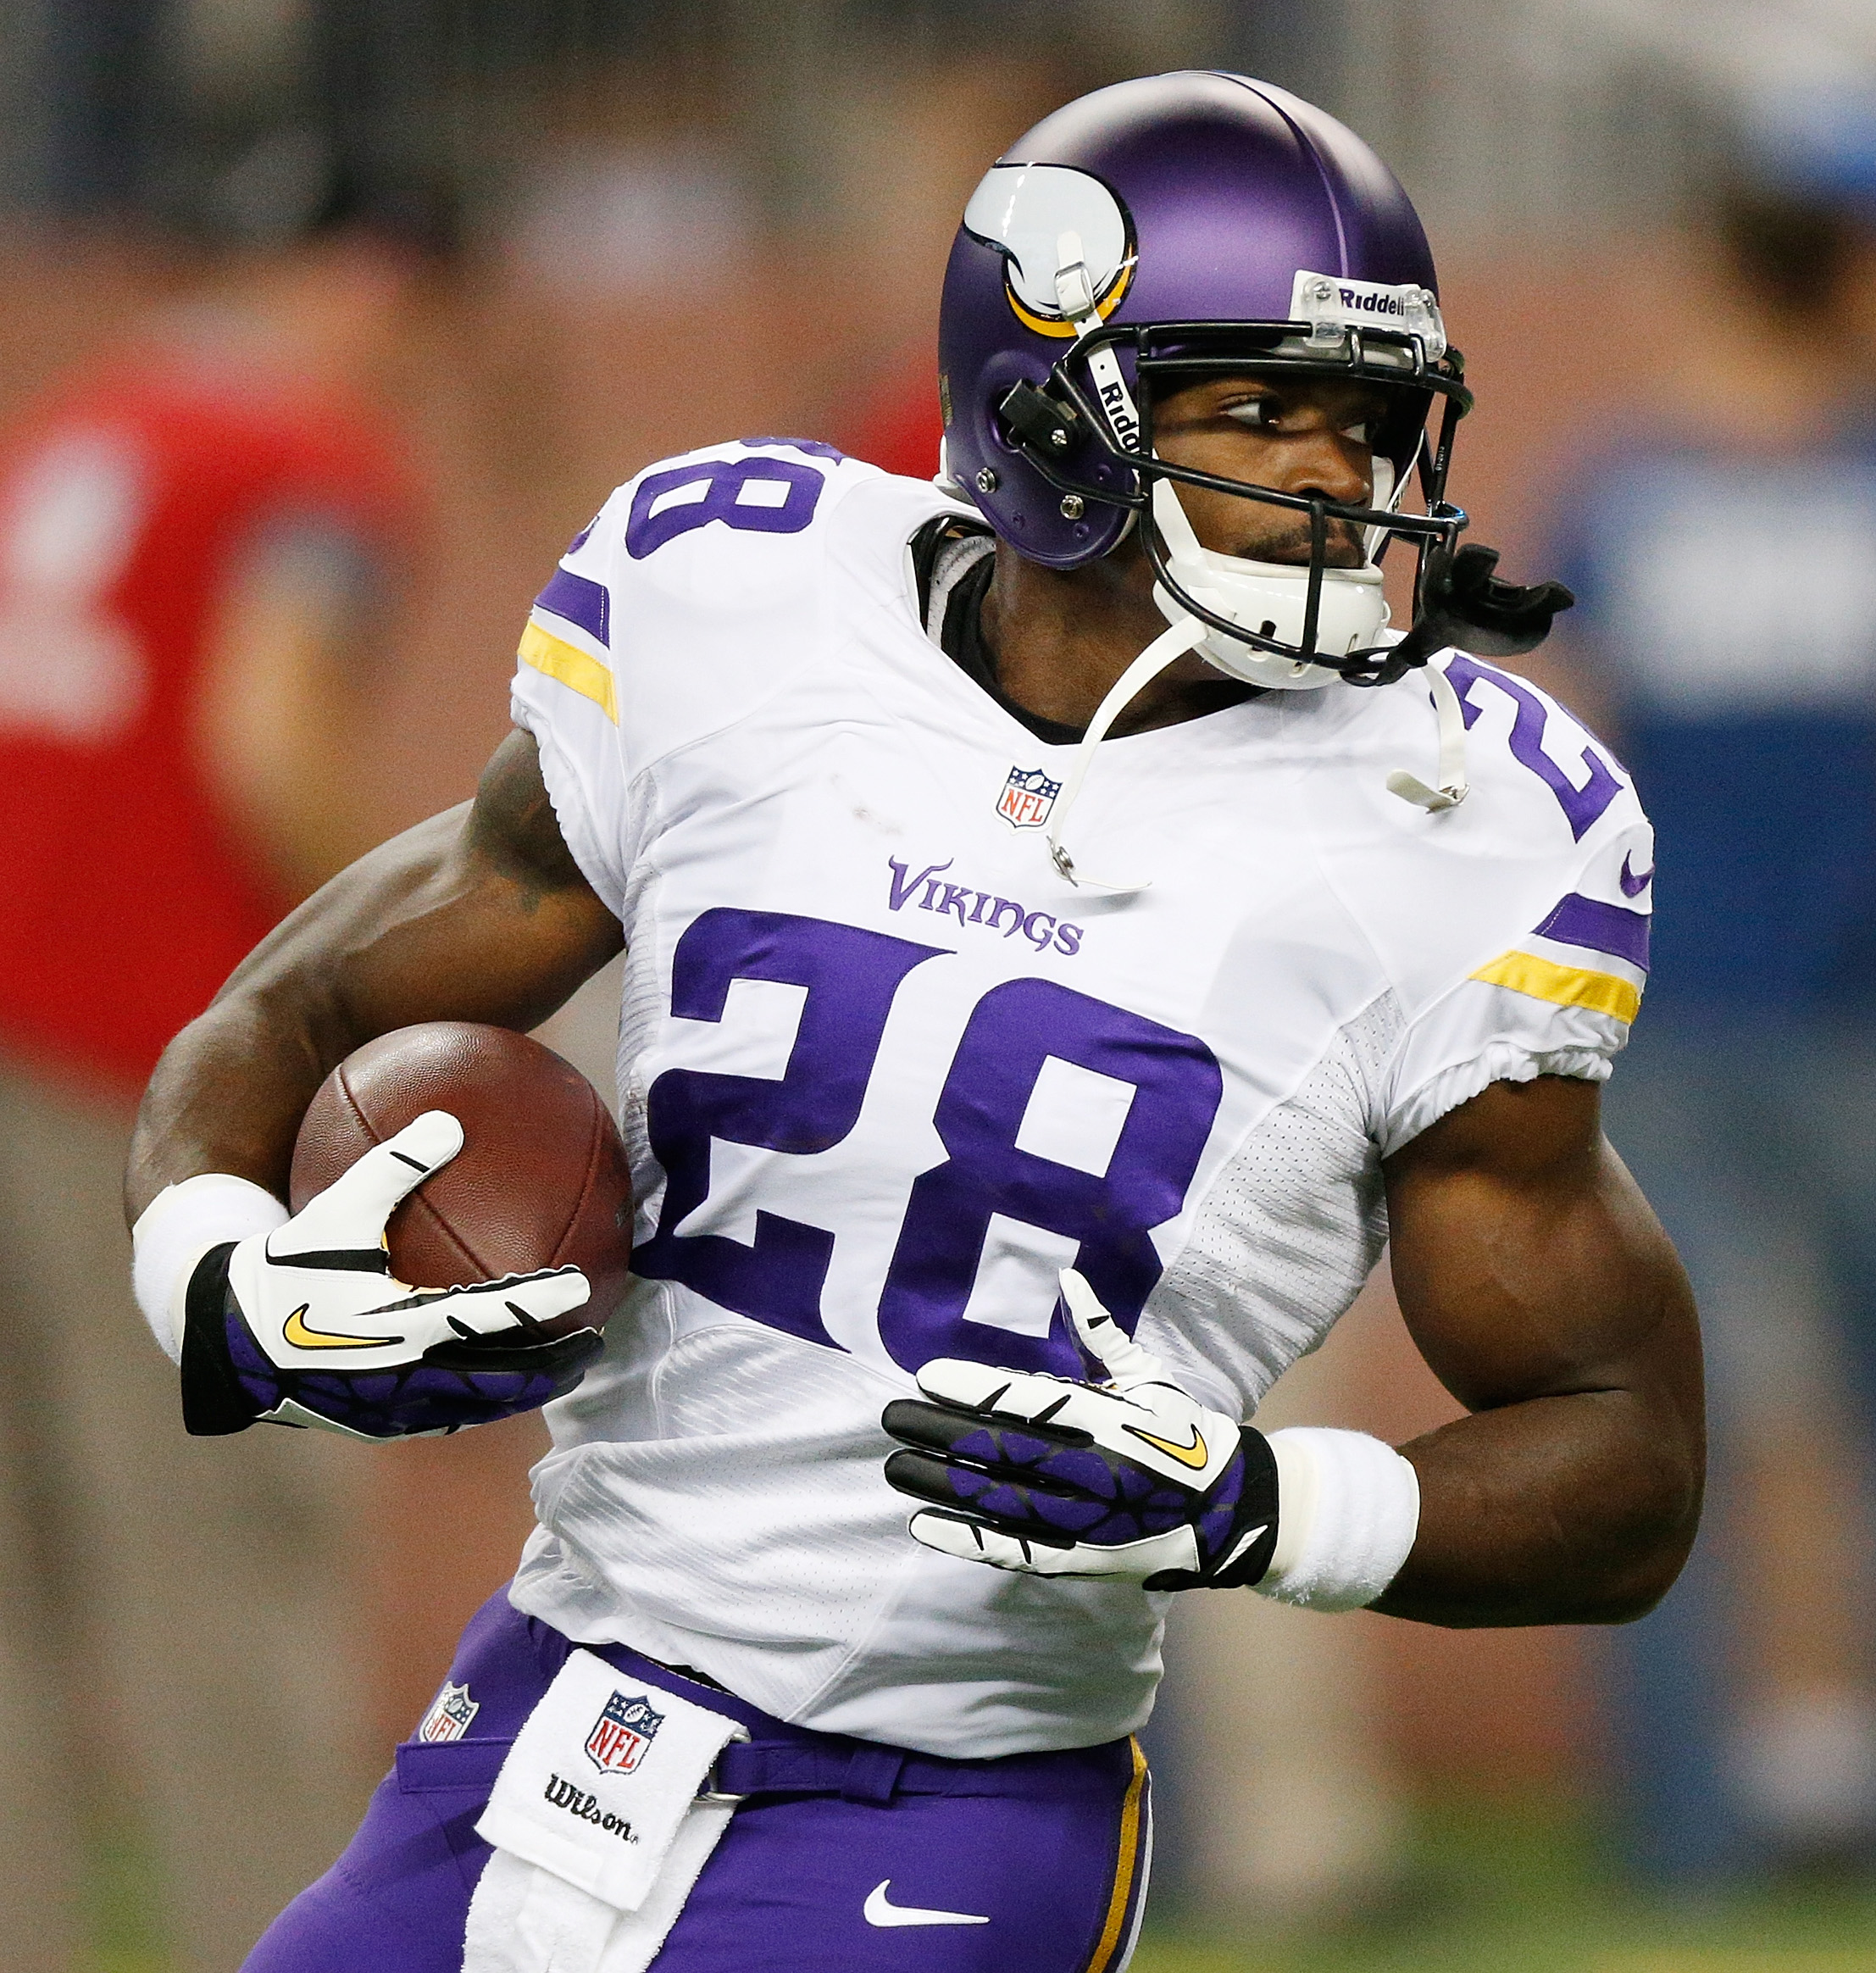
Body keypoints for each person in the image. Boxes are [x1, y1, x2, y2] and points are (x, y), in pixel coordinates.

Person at [125, 73, 1704, 1970]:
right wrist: (222, 1280)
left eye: (1364, 423)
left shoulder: (1460, 822)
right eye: (1259, 408)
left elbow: (1626, 1459)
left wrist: (1258, 1500)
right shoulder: (744, 604)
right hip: (553, 1695)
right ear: (1050, 407)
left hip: (948, 1793)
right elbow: (295, 1004)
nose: (1335, 482)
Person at [1559, 174, 1876, 1881]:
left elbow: (1562, 770)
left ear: (1713, 277)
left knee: (1650, 1431)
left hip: (1675, 1010)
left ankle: (1684, 1841)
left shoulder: (1622, 491)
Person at [0, 204, 428, 1968]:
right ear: (382, 275)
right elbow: (263, 736)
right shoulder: (309, 464)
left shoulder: (76, 426)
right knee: (220, 1583)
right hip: (140, 1073)